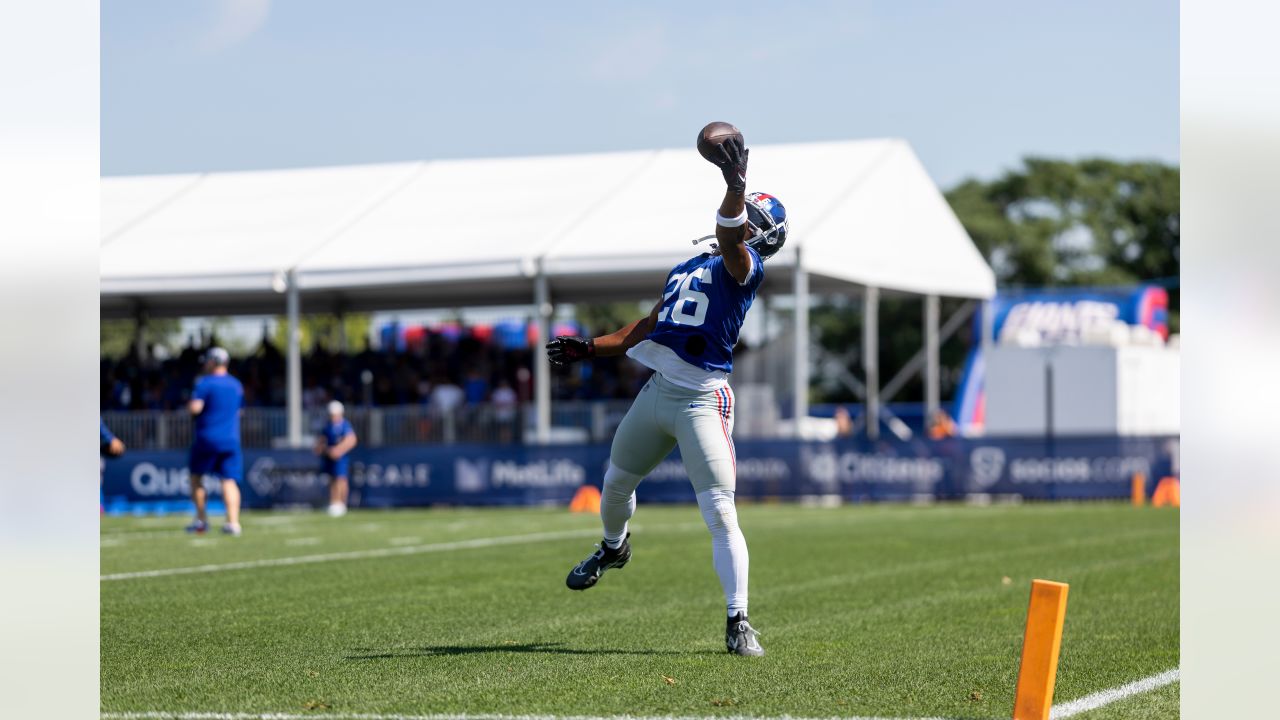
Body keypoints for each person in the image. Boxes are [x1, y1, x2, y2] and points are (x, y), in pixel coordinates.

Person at [546, 134, 786, 657]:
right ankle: (613, 549)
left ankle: (737, 618)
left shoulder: (742, 267)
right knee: (613, 485)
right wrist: (590, 348)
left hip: (703, 399)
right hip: (657, 391)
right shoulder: (686, 268)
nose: (739, 221)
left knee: (720, 511)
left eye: (749, 219)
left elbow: (729, 236)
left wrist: (735, 184)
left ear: (760, 236)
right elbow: (648, 326)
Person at [185, 347, 245, 536]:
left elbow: (195, 408)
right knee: (229, 481)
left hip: (207, 438)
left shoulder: (205, 382)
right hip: (231, 439)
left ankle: (201, 520)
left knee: (196, 478)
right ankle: (233, 522)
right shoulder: (236, 384)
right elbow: (240, 411)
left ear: (213, 362)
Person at [315, 400, 357, 517]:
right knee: (332, 479)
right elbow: (322, 440)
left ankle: (341, 503)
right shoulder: (328, 425)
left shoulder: (344, 425)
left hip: (341, 457)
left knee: (341, 479)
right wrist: (321, 448)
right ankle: (334, 502)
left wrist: (339, 450)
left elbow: (351, 440)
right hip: (329, 456)